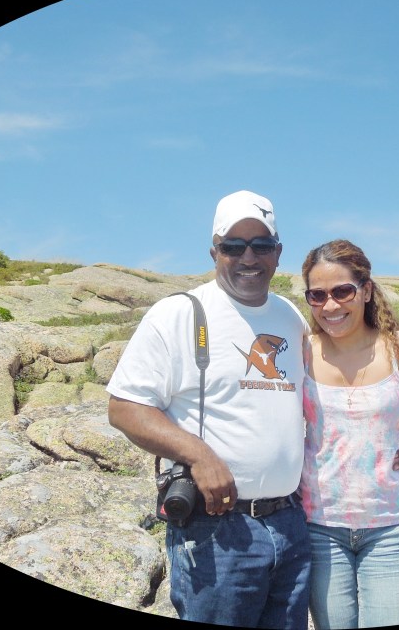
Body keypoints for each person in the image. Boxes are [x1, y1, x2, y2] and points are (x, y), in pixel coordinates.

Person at [106, 190, 312, 629]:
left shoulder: (292, 316)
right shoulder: (179, 314)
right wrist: (199, 455)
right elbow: (125, 407)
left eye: (261, 245)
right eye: (233, 246)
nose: (248, 257)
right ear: (214, 251)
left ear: (278, 253)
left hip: (291, 523)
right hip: (216, 529)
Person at [299, 239, 399, 629]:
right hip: (318, 527)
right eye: (318, 295)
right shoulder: (302, 351)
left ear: (364, 290)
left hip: (390, 529)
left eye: (342, 291)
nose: (330, 305)